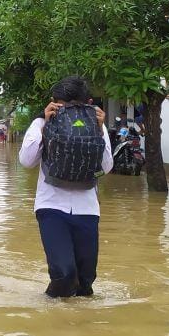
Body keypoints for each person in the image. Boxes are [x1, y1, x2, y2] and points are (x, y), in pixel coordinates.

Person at [18, 76, 113, 298]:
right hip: (51, 208)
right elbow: (26, 161)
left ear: (89, 103)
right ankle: (50, 313)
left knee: (85, 281)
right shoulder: (41, 123)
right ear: (53, 102)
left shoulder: (97, 126)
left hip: (87, 209)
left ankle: (80, 324)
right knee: (65, 272)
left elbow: (107, 167)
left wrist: (99, 130)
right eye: (63, 105)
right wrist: (44, 127)